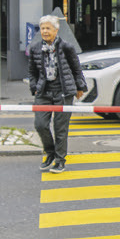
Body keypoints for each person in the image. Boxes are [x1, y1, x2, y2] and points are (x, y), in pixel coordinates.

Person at [28, 15, 87, 174]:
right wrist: (34, 86)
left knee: (60, 128)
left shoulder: (67, 47)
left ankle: (60, 160)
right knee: (40, 125)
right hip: (43, 92)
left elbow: (76, 69)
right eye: (42, 28)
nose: (45, 31)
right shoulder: (35, 48)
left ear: (56, 30)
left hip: (63, 92)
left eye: (48, 28)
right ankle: (50, 152)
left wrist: (80, 87)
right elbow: (32, 72)